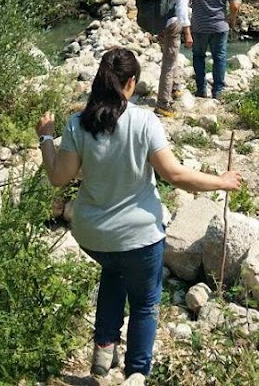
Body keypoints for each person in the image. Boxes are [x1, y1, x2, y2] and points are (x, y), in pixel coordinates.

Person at [36, 48, 242, 384]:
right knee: (145, 305)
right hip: (139, 236)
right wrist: (221, 181)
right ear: (131, 83)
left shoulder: (77, 124)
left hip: (93, 236)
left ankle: (102, 360)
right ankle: (135, 375)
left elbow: (59, 176)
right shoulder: (145, 121)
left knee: (114, 273)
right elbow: (174, 175)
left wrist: (46, 136)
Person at [190, 0, 241, 100]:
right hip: (219, 26)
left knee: (199, 56)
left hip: (200, 26)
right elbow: (235, 5)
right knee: (219, 57)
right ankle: (218, 90)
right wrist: (231, 19)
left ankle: (201, 89)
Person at [156, 0, 196, 117]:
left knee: (170, 53)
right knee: (169, 62)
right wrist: (187, 32)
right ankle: (163, 104)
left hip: (157, 19)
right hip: (172, 21)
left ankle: (175, 87)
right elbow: (181, 6)